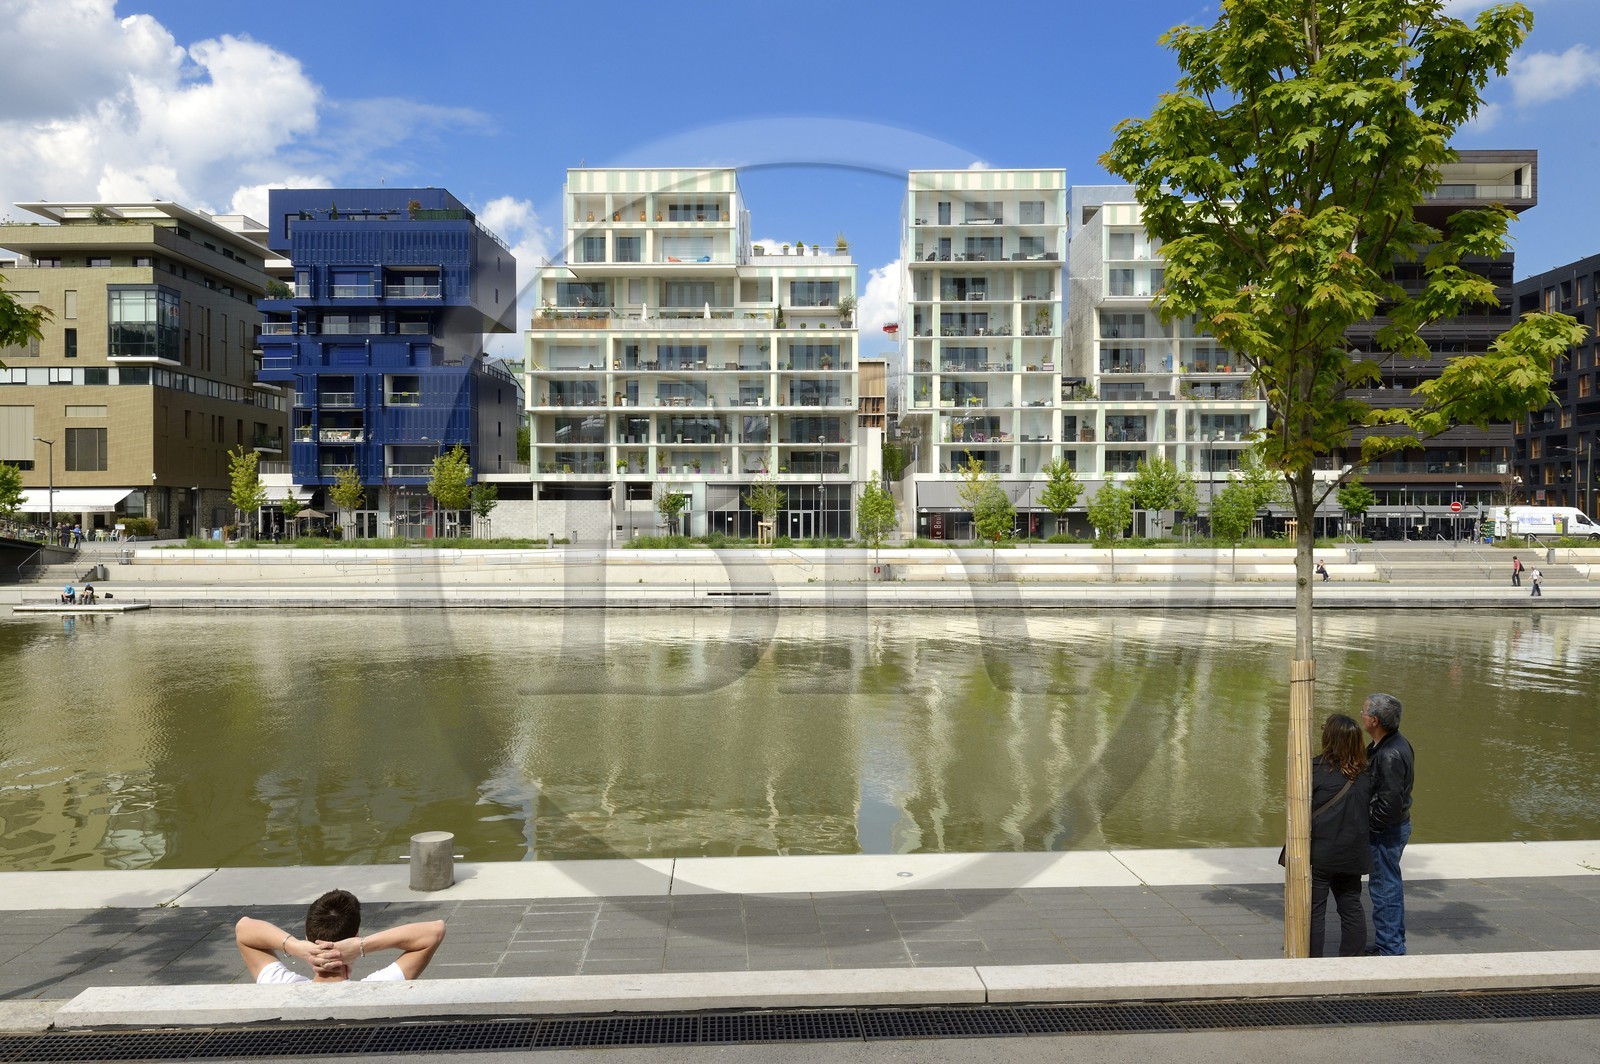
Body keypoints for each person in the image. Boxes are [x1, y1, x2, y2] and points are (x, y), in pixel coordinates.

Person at [235, 889, 445, 984]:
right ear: (354, 937)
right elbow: (434, 931)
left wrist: (295, 947)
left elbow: (244, 929)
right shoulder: (379, 988)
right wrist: (362, 946)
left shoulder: (279, 986)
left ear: (308, 936)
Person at [1309, 713, 1373, 957]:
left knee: (1315, 910)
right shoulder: (1366, 774)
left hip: (1322, 853)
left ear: (1329, 738)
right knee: (1351, 907)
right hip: (1353, 854)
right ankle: (1352, 961)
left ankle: (1312, 960)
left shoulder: (1315, 770)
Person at [1361, 693, 1415, 956]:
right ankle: (1391, 943)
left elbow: (1389, 803)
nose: (1361, 717)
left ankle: (1391, 948)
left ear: (1374, 720)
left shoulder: (1389, 754)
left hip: (1386, 831)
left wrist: (1371, 828)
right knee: (1388, 885)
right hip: (1393, 826)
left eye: (1363, 713)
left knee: (1384, 888)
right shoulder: (1390, 744)